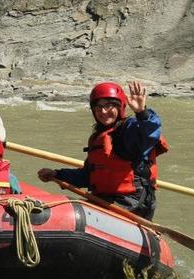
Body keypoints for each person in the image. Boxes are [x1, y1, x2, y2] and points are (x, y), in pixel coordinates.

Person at [37, 81, 168, 220]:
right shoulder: (98, 137)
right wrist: (57, 174)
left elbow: (148, 133)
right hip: (105, 199)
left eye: (108, 105)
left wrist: (142, 113)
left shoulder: (129, 131)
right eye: (98, 107)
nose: (103, 111)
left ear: (120, 107)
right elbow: (88, 176)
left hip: (131, 201)